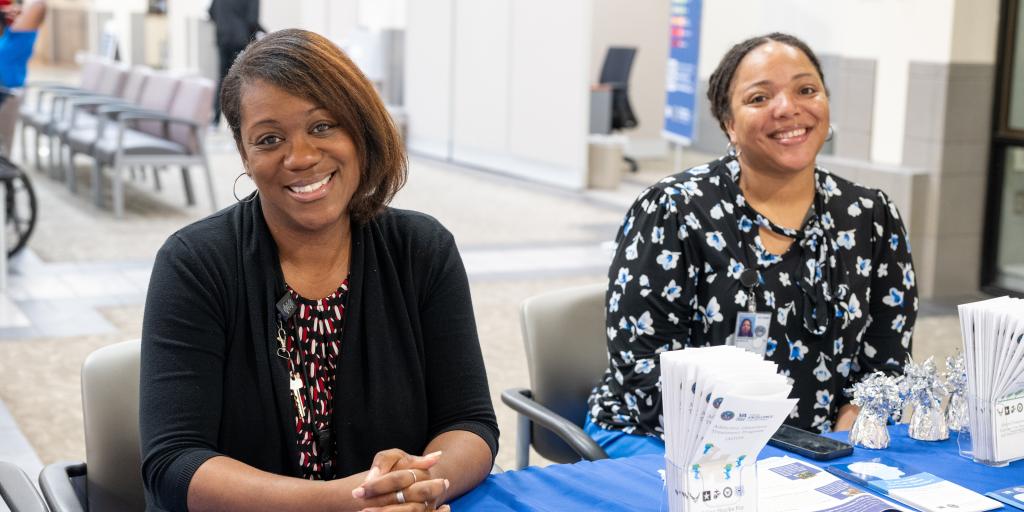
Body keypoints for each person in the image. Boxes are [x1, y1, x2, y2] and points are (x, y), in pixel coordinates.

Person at [140, 29, 498, 512]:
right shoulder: (195, 264)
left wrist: (417, 486)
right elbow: (175, 462)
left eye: (323, 126)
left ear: (360, 128)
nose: (302, 157)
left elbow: (470, 423)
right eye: (269, 139)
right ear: (245, 156)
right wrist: (345, 502)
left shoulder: (422, 250)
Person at [586, 32, 918, 457]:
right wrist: (751, 456)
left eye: (806, 90)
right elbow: (645, 372)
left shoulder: (871, 216)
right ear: (728, 123)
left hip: (819, 445)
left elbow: (887, 363)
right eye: (760, 98)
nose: (788, 108)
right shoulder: (674, 209)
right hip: (663, 434)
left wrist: (847, 432)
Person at [208, 0, 262, 127]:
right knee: (243, 81)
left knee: (222, 78)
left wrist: (223, 23)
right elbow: (252, 21)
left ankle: (215, 120)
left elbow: (211, 13)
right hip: (241, 40)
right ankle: (239, 122)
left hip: (223, 38)